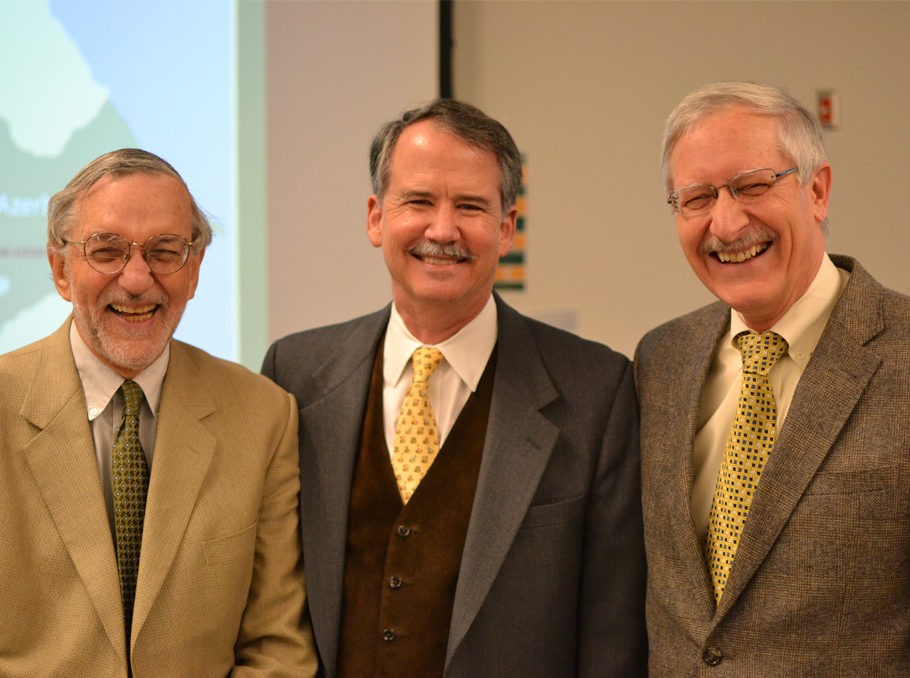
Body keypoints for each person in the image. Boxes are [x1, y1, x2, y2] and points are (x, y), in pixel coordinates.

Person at [262, 99, 647, 678]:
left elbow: (611, 639)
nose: (442, 230)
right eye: (418, 201)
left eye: (470, 206)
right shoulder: (294, 373)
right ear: (375, 217)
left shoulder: (596, 390)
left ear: (506, 228)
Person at [0, 149, 318, 677]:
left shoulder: (263, 416)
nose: (136, 278)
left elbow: (277, 647)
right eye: (106, 251)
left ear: (193, 272)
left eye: (165, 251)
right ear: (60, 270)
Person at [636, 81, 910, 676]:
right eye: (697, 198)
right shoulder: (660, 361)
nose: (727, 223)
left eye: (753, 185)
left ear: (817, 189)